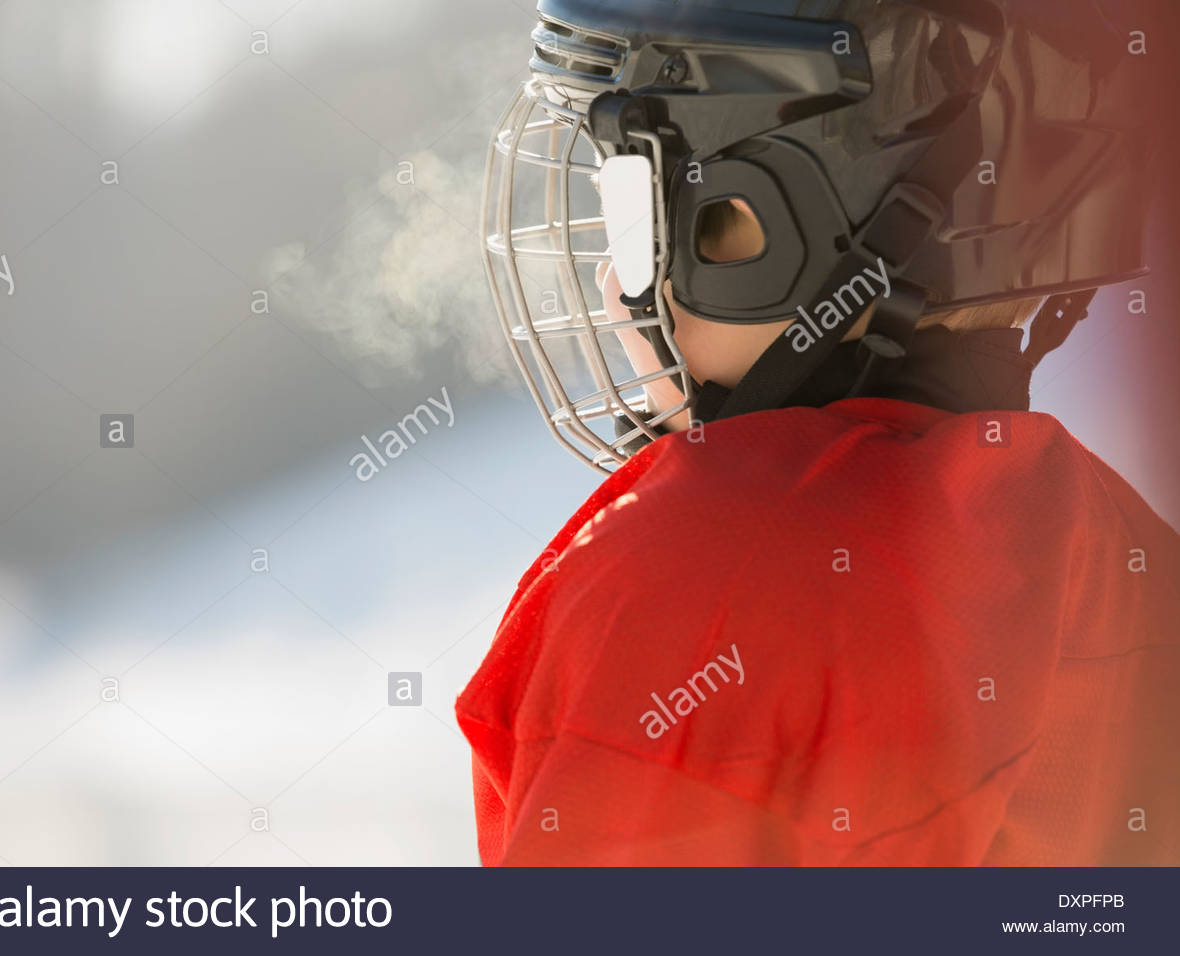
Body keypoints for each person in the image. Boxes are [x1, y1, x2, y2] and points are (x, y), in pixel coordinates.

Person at [458, 0, 1178, 865]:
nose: (619, 282)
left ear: (780, 226)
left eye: (639, 206)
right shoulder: (1112, 549)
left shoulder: (703, 597)